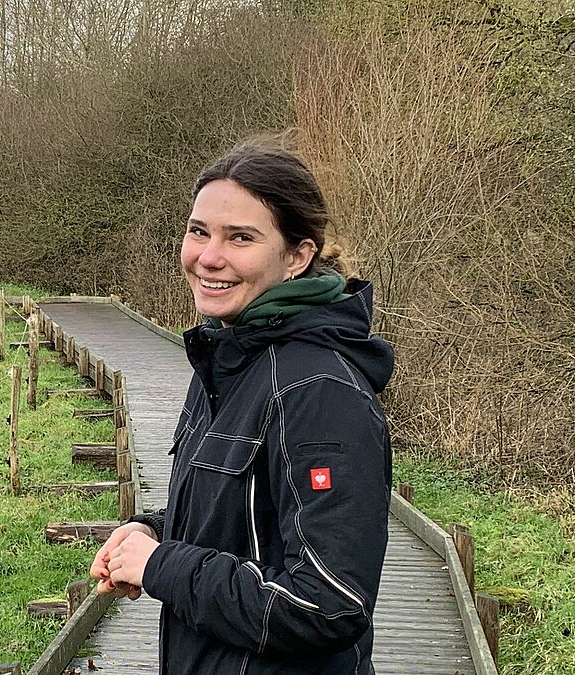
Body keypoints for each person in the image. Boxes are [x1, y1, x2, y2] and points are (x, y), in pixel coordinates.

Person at [88, 139, 394, 674]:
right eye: (198, 230)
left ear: (298, 256)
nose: (208, 256)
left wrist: (162, 565)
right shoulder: (227, 357)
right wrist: (155, 532)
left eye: (241, 238)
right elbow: (243, 519)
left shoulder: (319, 391)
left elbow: (328, 603)